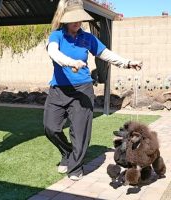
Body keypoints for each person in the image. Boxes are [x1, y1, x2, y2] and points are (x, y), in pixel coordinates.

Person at [43, 0, 142, 181]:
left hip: (82, 90)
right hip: (58, 89)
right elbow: (53, 52)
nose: (77, 23)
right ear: (64, 19)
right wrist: (71, 62)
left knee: (79, 131)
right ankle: (67, 152)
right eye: (73, 20)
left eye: (80, 19)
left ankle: (74, 166)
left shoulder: (87, 38)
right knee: (51, 127)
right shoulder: (56, 36)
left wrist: (127, 62)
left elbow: (105, 54)